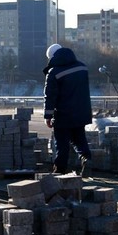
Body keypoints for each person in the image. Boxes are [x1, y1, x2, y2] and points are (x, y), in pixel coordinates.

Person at [43, 44, 93, 177]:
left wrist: (48, 116)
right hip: (81, 111)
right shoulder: (82, 67)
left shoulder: (54, 72)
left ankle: (59, 171)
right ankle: (86, 159)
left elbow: (50, 96)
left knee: (61, 143)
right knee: (79, 138)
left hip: (63, 114)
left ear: (52, 57)